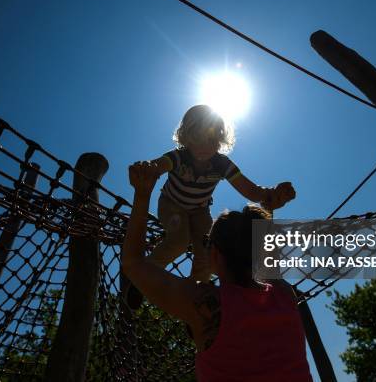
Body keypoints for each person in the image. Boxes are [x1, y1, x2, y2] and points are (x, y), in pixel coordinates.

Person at [122, 161, 313, 382]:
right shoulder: (283, 295)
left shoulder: (207, 305)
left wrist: (143, 193)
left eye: (206, 242)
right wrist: (268, 208)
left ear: (215, 255)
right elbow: (266, 259)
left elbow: (133, 263)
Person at [125, 104, 295, 308]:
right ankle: (143, 279)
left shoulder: (222, 164)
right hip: (172, 205)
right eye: (199, 139)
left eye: (212, 140)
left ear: (220, 141)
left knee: (207, 250)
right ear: (187, 138)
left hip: (199, 210)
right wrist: (147, 168)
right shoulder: (178, 157)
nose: (205, 147)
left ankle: (197, 296)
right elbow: (158, 166)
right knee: (179, 240)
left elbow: (249, 189)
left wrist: (270, 194)